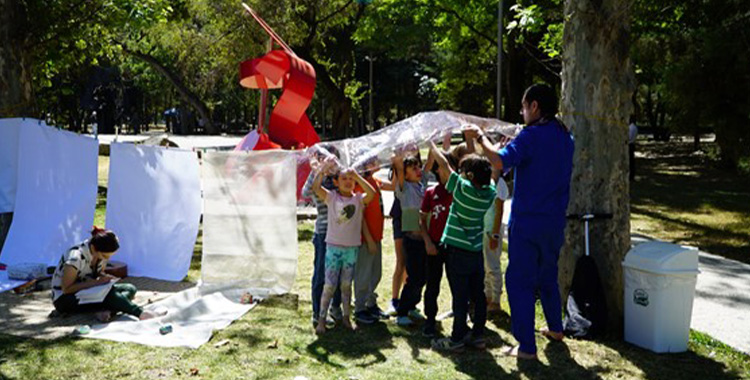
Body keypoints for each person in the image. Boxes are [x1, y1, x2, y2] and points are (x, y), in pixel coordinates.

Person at [466, 83, 575, 360]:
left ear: (535, 106)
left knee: (520, 282)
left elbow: (498, 162)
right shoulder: (565, 136)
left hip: (528, 223)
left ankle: (526, 347)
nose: (522, 111)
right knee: (548, 276)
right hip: (553, 222)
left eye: (524, 106)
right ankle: (556, 328)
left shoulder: (531, 136)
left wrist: (480, 138)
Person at [428, 139, 497, 352]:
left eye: (464, 170)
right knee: (477, 294)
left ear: (470, 176)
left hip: (457, 253)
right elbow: (491, 175)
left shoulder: (462, 189)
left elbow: (445, 166)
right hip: (476, 252)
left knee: (459, 297)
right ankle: (477, 336)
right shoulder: (489, 194)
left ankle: (456, 339)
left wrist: (432, 145)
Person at [313, 158, 376, 334]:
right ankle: (322, 320)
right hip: (333, 248)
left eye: (351, 179)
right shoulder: (332, 197)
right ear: (336, 182)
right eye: (344, 179)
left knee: (346, 285)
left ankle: (347, 317)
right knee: (330, 285)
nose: (348, 182)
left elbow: (371, 193)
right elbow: (316, 188)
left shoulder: (358, 199)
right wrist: (322, 169)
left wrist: (357, 175)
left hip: (351, 249)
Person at [51, 227, 164, 321]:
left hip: (86, 292)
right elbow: (67, 288)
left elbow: (97, 274)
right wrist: (96, 283)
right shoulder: (75, 257)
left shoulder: (98, 254)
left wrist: (105, 278)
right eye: (105, 256)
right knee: (110, 295)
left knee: (130, 288)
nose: (107, 259)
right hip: (65, 299)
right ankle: (141, 313)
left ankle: (107, 310)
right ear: (94, 248)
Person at [303, 150, 343, 328]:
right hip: (323, 233)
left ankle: (335, 306)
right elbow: (306, 191)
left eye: (332, 158)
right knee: (321, 274)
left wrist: (336, 168)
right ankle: (317, 312)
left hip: (341, 234)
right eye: (324, 158)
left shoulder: (339, 177)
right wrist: (319, 170)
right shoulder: (316, 177)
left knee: (340, 273)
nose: (329, 161)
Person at [419, 152, 457, 337]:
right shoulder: (431, 193)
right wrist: (427, 242)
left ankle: (461, 321)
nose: (444, 170)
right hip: (434, 246)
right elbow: (422, 219)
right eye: (441, 166)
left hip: (453, 246)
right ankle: (430, 320)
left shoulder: (458, 190)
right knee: (432, 284)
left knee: (457, 284)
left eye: (448, 166)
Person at [392, 153, 428, 326]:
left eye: (418, 167)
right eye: (413, 168)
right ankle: (402, 311)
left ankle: (413, 305)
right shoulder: (403, 188)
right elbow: (398, 167)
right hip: (411, 239)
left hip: (423, 239)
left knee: (422, 277)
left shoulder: (421, 186)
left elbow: (429, 165)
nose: (418, 170)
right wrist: (398, 154)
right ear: (405, 175)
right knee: (414, 276)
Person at [353, 158, 389, 324]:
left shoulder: (374, 181)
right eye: (373, 160)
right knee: (364, 273)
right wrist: (369, 239)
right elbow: (360, 216)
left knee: (376, 273)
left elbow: (395, 185)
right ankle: (360, 308)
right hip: (367, 239)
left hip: (376, 236)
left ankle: (370, 303)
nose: (378, 161)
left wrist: (397, 164)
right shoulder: (361, 185)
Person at [483, 166, 511, 313]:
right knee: (485, 265)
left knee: (493, 265)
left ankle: (495, 299)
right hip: (484, 229)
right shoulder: (486, 182)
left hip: (492, 230)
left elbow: (499, 211)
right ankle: (487, 296)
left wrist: (495, 234)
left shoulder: (499, 184)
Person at [628, 115, 638, 181]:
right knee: (632, 160)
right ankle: (632, 175)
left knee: (630, 160)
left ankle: (630, 175)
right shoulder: (635, 127)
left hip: (630, 144)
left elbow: (629, 137)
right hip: (632, 144)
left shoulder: (630, 128)